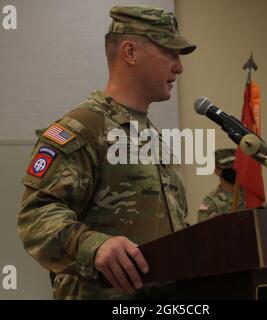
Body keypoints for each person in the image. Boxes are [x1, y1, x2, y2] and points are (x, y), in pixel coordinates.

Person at [17, 5, 196, 299]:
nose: (179, 67)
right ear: (130, 52)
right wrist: (95, 245)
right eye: (170, 53)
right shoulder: (82, 129)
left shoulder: (151, 136)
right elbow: (35, 217)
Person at [197, 148, 246, 222]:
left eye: (234, 168)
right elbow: (204, 230)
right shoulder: (210, 202)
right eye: (228, 168)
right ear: (216, 171)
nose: (233, 171)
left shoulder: (250, 196)